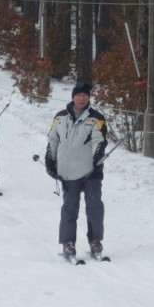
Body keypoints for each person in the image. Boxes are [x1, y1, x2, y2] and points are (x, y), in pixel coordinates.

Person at [45, 82, 108, 259]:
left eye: (85, 95)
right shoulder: (60, 117)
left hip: (91, 171)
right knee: (70, 208)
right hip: (67, 171)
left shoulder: (96, 118)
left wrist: (98, 155)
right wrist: (50, 159)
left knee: (94, 206)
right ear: (73, 97)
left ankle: (95, 241)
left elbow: (100, 139)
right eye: (78, 95)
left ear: (89, 98)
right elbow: (53, 140)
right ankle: (68, 243)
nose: (81, 98)